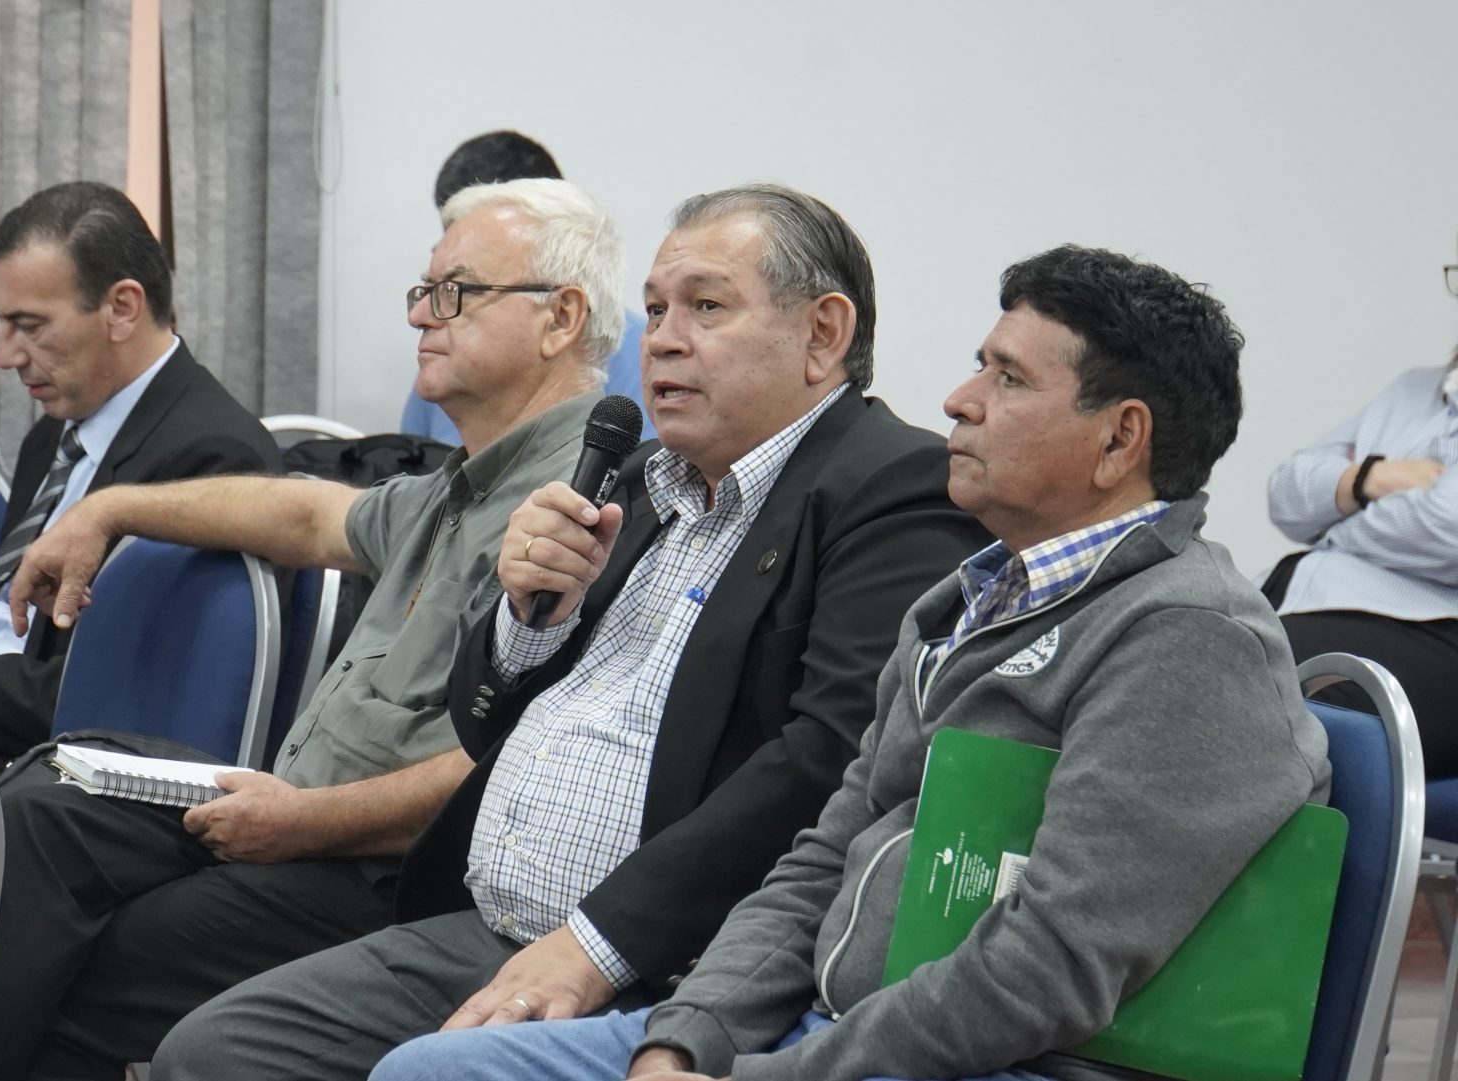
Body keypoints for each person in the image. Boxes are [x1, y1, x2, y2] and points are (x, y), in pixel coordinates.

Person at [362, 245, 1331, 1081]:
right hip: (829, 1029)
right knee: (428, 1070)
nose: (959, 400)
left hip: (1005, 1058)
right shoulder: (967, 600)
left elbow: (1048, 969)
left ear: (1120, 438)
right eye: (980, 366)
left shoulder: (1186, 639)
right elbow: (822, 858)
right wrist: (685, 1042)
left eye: (1008, 379)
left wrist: (778, 1071)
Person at [151, 184, 990, 1081]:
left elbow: (831, 758)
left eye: (707, 307)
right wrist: (526, 615)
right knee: (211, 1052)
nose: (663, 339)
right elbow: (481, 720)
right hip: (485, 918)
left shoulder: (893, 487)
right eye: (656, 310)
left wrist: (599, 943)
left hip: (670, 961)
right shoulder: (639, 479)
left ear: (823, 333)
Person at [0, 177, 625, 1081]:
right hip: (293, 806)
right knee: (46, 806)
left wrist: (305, 822)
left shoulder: (588, 511)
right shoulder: (463, 484)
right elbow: (306, 515)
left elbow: (516, 766)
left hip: (380, 866)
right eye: (423, 292)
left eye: (455, 293)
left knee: (109, 949)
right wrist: (111, 508)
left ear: (560, 318)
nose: (421, 316)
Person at [0, 181, 280, 762]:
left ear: (122, 308)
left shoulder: (211, 463)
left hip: (47, 772)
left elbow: (112, 706)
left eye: (31, 325)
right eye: (3, 323)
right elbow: (10, 640)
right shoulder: (54, 437)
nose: (7, 356)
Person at [1263, 259, 1458, 774]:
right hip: (1301, 600)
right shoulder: (1413, 390)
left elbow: (1446, 527)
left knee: (1238, 689)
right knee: (1160, 647)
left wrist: (1336, 516)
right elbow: (1286, 491)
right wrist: (1371, 478)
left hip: (1433, 631)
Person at [401, 131, 655, 444]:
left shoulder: (644, 361)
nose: (419, 317)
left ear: (561, 316)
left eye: (461, 285)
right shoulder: (445, 365)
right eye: (432, 285)